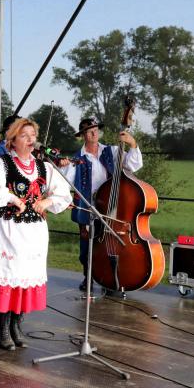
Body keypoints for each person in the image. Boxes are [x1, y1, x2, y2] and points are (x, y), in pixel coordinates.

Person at [0, 118, 71, 350]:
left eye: (32, 135)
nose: (30, 140)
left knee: (26, 276)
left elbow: (64, 194)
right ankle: (3, 329)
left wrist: (47, 202)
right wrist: (12, 198)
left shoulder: (45, 167)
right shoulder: (2, 164)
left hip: (33, 232)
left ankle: (17, 325)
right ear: (13, 140)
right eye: (24, 136)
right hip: (8, 229)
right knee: (9, 275)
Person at [61, 117, 143, 292]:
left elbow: (133, 165)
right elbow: (63, 183)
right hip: (87, 207)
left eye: (96, 129)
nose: (94, 133)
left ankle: (110, 280)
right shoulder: (76, 159)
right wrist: (65, 200)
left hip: (111, 206)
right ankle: (88, 277)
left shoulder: (112, 151)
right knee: (87, 246)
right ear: (83, 135)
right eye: (89, 131)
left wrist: (132, 144)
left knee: (111, 244)